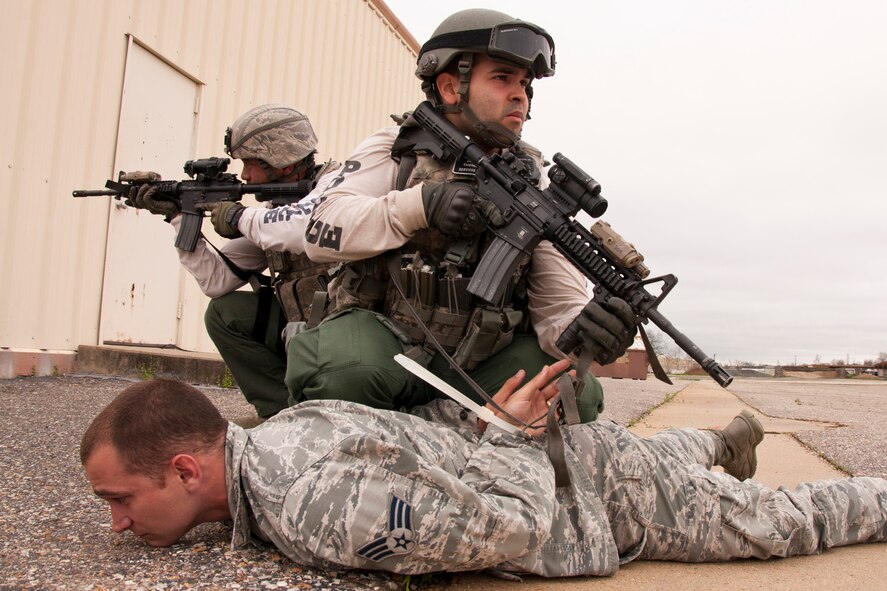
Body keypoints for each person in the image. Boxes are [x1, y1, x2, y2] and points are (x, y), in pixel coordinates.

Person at [80, 368, 887, 577]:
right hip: (575, 460)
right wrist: (493, 430)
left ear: (187, 466)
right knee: (652, 453)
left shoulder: (315, 504)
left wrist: (502, 438)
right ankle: (717, 440)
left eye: (120, 499)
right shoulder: (288, 427)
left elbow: (517, 525)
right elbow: (424, 437)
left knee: (785, 521)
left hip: (595, 500)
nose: (116, 521)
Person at [291, 9, 637, 421]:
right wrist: (419, 206)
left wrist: (588, 331)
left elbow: (557, 308)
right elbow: (318, 230)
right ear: (451, 86)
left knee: (576, 394)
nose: (520, 95)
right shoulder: (395, 149)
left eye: (525, 84)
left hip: (476, 361)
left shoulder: (534, 182)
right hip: (387, 346)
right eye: (502, 78)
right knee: (341, 370)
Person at [128, 104, 339, 424]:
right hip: (307, 330)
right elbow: (217, 281)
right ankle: (282, 416)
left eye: (251, 163)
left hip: (349, 332)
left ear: (282, 160)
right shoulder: (273, 211)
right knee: (225, 313)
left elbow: (301, 227)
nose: (244, 176)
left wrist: (240, 218)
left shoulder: (338, 185)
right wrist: (177, 217)